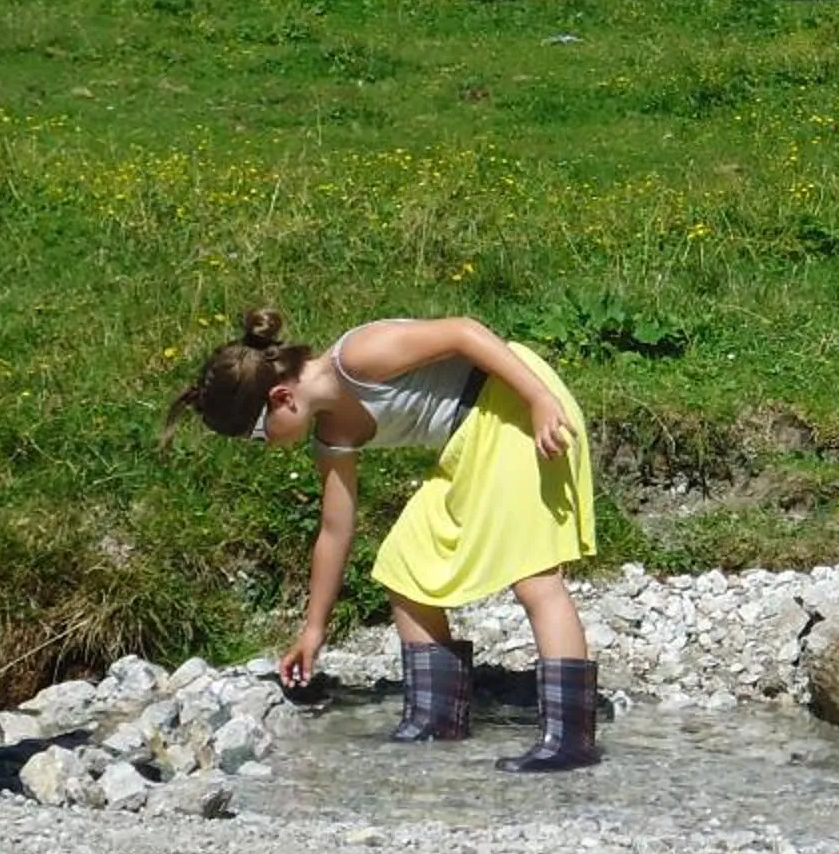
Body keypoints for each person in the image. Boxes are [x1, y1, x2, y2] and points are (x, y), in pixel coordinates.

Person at [166, 310, 603, 772]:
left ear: (280, 398)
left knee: (532, 572)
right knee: (404, 562)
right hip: (468, 441)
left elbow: (463, 332)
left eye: (257, 436)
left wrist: (537, 397)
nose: (265, 447)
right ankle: (438, 718)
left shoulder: (359, 357)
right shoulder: (333, 431)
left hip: (516, 406)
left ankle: (571, 739)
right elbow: (336, 529)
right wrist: (314, 630)